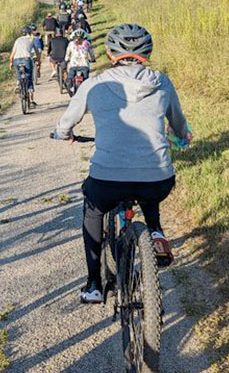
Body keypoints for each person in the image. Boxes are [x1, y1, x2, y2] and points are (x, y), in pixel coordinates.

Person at [53, 23, 192, 304]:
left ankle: (94, 284)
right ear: (147, 52)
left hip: (108, 180)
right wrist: (182, 135)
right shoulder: (161, 82)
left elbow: (67, 122)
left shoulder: (94, 85)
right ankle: (154, 230)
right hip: (158, 178)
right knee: (147, 179)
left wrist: (63, 134)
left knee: (93, 210)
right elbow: (178, 125)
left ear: (110, 52)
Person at [10, 25, 37, 107]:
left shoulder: (17, 40)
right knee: (29, 76)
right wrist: (38, 60)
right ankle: (30, 92)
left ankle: (18, 83)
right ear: (29, 32)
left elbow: (12, 54)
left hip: (16, 60)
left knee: (19, 73)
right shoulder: (31, 39)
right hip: (26, 59)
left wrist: (11, 62)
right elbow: (36, 51)